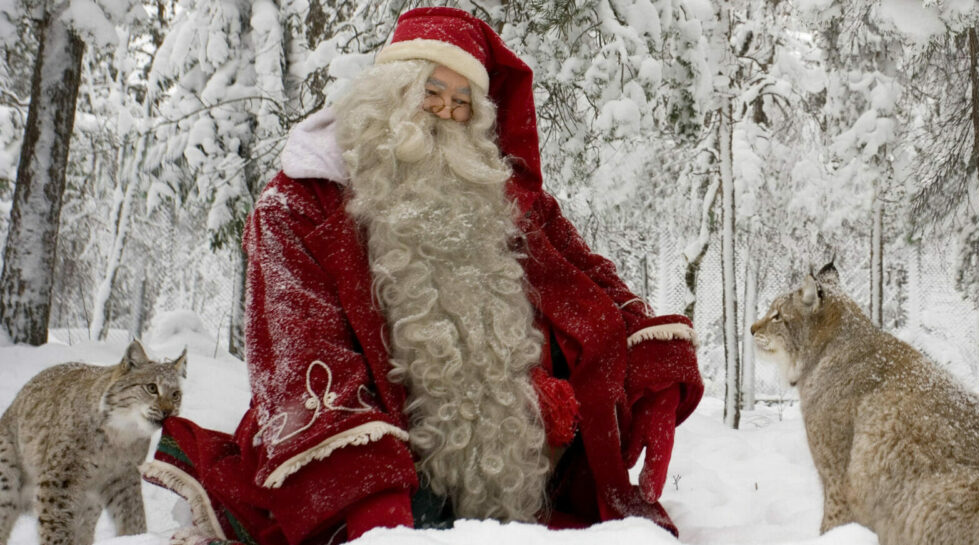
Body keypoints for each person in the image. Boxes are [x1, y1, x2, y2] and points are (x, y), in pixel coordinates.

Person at [141, 8, 704, 545]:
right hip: (382, 458)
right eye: (431, 93)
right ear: (392, 94)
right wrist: (375, 513)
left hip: (505, 472)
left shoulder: (497, 195)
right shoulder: (298, 205)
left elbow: (590, 281)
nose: (444, 115)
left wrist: (654, 363)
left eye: (462, 104)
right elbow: (299, 357)